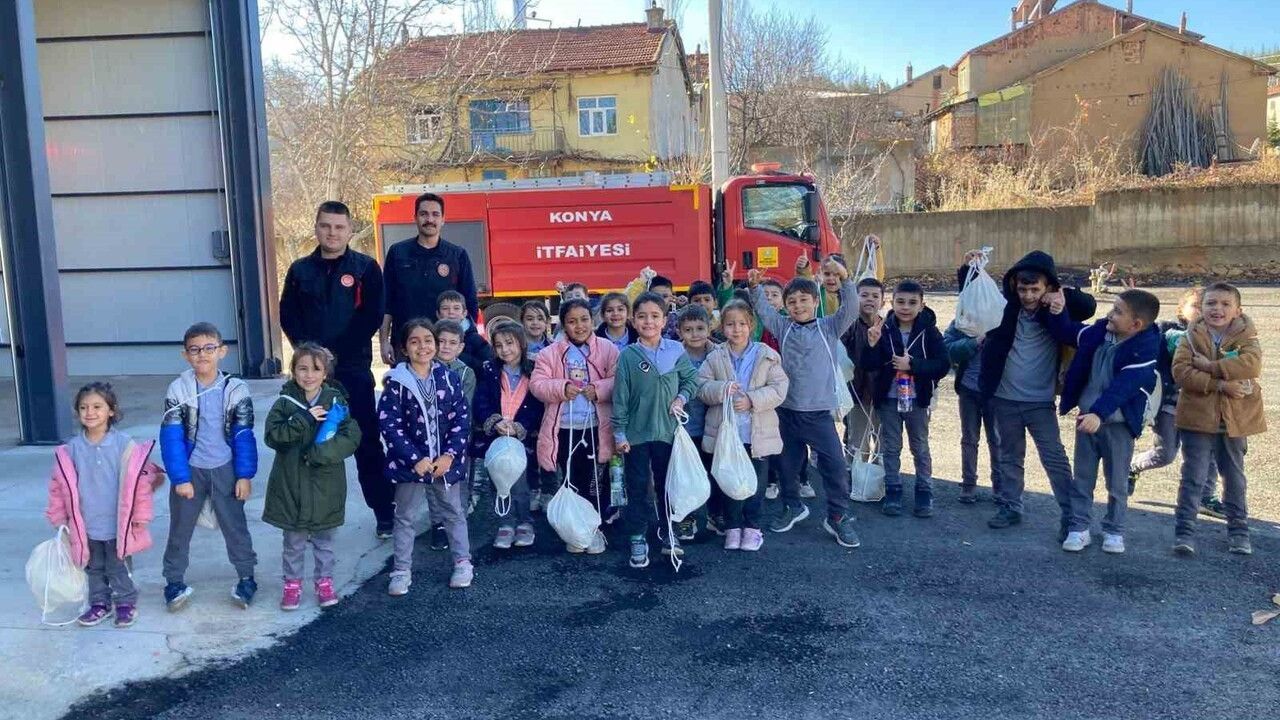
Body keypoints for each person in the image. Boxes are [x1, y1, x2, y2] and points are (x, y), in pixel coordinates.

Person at [278, 200, 391, 539]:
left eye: (339, 227)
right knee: (311, 445)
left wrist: (334, 354)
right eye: (326, 226)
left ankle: (384, 513)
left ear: (350, 230)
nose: (332, 232)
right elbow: (288, 315)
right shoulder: (300, 270)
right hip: (310, 375)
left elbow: (371, 315)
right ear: (316, 227)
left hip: (353, 370)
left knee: (367, 443)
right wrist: (311, 356)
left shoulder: (366, 268)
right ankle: (314, 518)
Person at [967, 251, 1096, 538]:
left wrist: (1060, 297)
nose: (1027, 295)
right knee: (1010, 456)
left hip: (1039, 401)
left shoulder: (1055, 310)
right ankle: (1011, 506)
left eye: (1034, 289)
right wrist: (969, 266)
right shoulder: (1006, 308)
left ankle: (1071, 515)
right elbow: (973, 292)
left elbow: (1088, 306)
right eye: (1022, 288)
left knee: (1054, 458)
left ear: (1047, 287)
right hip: (1004, 398)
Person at [748, 260, 861, 548]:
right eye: (792, 301)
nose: (798, 306)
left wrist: (845, 280)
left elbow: (851, 309)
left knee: (834, 465)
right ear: (785, 306)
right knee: (787, 465)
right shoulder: (782, 327)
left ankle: (837, 515)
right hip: (786, 412)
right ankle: (792, 506)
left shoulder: (829, 327)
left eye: (804, 300)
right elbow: (762, 309)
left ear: (815, 301)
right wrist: (754, 286)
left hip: (819, 414)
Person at [1050, 288, 1162, 554]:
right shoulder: (1099, 334)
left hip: (1118, 425)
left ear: (1136, 325)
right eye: (1112, 308)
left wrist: (1099, 414)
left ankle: (1114, 530)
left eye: (1117, 312)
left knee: (1117, 482)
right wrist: (1056, 309)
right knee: (1083, 479)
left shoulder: (1145, 349)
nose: (1110, 315)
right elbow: (1067, 331)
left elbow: (1123, 387)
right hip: (1088, 420)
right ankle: (1079, 528)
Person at [46, 383, 165, 628]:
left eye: (97, 406)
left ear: (111, 411)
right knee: (94, 567)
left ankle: (125, 602)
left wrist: (140, 515)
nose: (90, 412)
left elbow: (140, 485)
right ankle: (99, 603)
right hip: (86, 523)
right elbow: (59, 487)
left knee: (117, 566)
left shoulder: (124, 444)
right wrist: (60, 519)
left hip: (118, 522)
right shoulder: (71, 449)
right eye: (84, 407)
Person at [160, 322, 259, 611]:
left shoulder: (236, 388)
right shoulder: (179, 389)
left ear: (222, 351)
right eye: (194, 350)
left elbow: (243, 434)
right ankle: (174, 581)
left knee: (235, 525)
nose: (202, 354)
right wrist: (180, 477)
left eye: (209, 348)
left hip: (225, 468)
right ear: (185, 356)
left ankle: (246, 577)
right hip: (191, 469)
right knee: (180, 528)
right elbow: (172, 436)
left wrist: (244, 475)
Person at [262, 344, 361, 609]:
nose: (308, 375)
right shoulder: (285, 404)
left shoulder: (336, 402)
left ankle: (324, 582)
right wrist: (303, 419)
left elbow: (350, 437)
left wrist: (321, 454)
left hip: (326, 485)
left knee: (324, 541)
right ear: (292, 371)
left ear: (325, 373)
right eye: (302, 368)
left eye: (315, 369)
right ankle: (292, 585)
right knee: (293, 542)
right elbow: (273, 436)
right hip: (290, 484)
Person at [378, 319, 473, 593]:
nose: (423, 346)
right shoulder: (396, 383)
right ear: (405, 348)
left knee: (454, 512)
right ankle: (401, 570)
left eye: (428, 340)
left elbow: (461, 420)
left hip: (445, 464)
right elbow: (389, 424)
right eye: (414, 341)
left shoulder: (448, 378)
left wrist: (450, 456)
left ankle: (463, 562)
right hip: (411, 466)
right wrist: (414, 459)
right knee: (405, 516)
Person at [1171, 282, 1266, 557]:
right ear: (1201, 308)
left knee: (1234, 477)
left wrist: (1210, 367)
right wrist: (1220, 384)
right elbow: (1182, 373)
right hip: (1197, 418)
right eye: (1211, 303)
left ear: (1238, 310)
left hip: (1235, 419)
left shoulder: (1247, 335)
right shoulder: (1189, 337)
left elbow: (1251, 365)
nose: (1218, 309)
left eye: (1225, 304)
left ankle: (1239, 532)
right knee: (1193, 477)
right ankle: (1184, 532)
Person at [613, 292, 701, 568]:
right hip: (636, 436)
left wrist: (681, 398)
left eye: (654, 316)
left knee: (667, 485)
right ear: (633, 321)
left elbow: (691, 380)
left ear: (665, 320)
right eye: (641, 316)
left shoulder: (676, 350)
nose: (648, 321)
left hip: (667, 433)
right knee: (637, 487)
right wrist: (619, 432)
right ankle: (638, 536)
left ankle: (668, 530)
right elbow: (620, 397)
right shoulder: (627, 356)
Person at [695, 301, 788, 552]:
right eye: (730, 324)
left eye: (742, 324)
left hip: (756, 434)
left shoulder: (766, 354)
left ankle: (753, 527)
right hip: (727, 435)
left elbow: (779, 389)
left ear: (751, 326)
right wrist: (721, 390)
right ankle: (733, 527)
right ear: (722, 327)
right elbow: (701, 387)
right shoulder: (715, 357)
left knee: (754, 483)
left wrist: (752, 400)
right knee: (729, 480)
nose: (736, 330)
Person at [531, 298, 619, 555]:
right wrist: (561, 388)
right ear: (563, 325)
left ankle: (593, 529)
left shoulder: (608, 349)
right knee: (570, 480)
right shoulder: (550, 353)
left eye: (584, 320)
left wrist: (600, 389)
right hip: (564, 428)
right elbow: (538, 384)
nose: (579, 326)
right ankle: (574, 529)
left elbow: (619, 380)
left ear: (593, 320)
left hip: (594, 426)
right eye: (572, 321)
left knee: (594, 481)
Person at [1129, 287, 1225, 517]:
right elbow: (1178, 344)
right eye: (1195, 306)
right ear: (1181, 310)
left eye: (1207, 306)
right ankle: (1133, 465)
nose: (1202, 311)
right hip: (1170, 407)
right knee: (1165, 454)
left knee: (1208, 452)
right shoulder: (1171, 332)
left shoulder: (1222, 338)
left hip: (1202, 408)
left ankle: (1206, 495)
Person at [862, 280, 949, 518]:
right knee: (891, 447)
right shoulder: (884, 329)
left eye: (912, 303)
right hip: (889, 399)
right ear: (891, 302)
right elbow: (869, 365)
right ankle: (893, 490)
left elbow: (943, 365)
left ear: (922, 305)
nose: (906, 307)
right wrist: (871, 345)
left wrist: (913, 365)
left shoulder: (929, 331)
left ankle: (924, 491)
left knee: (919, 446)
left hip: (917, 399)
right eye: (900, 301)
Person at [380, 192, 479, 362]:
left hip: (444, 347)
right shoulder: (398, 253)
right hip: (406, 346)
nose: (429, 219)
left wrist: (463, 341)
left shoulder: (457, 255)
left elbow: (470, 304)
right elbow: (386, 302)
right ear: (415, 217)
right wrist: (383, 341)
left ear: (443, 219)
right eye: (423, 214)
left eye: (435, 214)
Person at [474, 323, 545, 550]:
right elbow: (481, 400)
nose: (505, 349)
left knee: (521, 484)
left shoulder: (534, 370)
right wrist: (494, 422)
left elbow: (536, 405)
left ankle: (524, 522)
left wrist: (520, 426)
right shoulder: (490, 370)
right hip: (496, 437)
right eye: (499, 345)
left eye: (510, 343)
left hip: (521, 438)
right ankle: (505, 523)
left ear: (521, 343)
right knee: (498, 482)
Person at [676, 304, 719, 538]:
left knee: (712, 471)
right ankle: (687, 517)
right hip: (685, 427)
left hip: (712, 425)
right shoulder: (674, 355)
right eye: (689, 329)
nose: (695, 334)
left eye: (700, 328)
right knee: (687, 475)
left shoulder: (719, 354)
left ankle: (714, 513)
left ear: (709, 328)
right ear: (680, 332)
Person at [435, 320, 479, 525]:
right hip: (430, 434)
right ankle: (437, 523)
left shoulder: (465, 373)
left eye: (452, 343)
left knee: (458, 478)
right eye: (441, 341)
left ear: (461, 347)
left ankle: (458, 517)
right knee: (432, 480)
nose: (446, 346)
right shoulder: (426, 368)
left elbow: (465, 406)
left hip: (457, 434)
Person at [842, 277, 887, 465]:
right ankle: (855, 482)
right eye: (864, 295)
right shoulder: (849, 325)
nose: (870, 299)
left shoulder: (888, 325)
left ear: (882, 301)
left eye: (875, 296)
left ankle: (880, 482)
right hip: (857, 394)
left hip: (883, 394)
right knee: (857, 442)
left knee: (883, 442)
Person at [437, 290, 493, 372]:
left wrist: (458, 356)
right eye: (445, 308)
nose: (451, 312)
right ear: (438, 314)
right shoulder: (432, 338)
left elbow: (487, 365)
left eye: (456, 308)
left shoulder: (476, 340)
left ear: (464, 313)